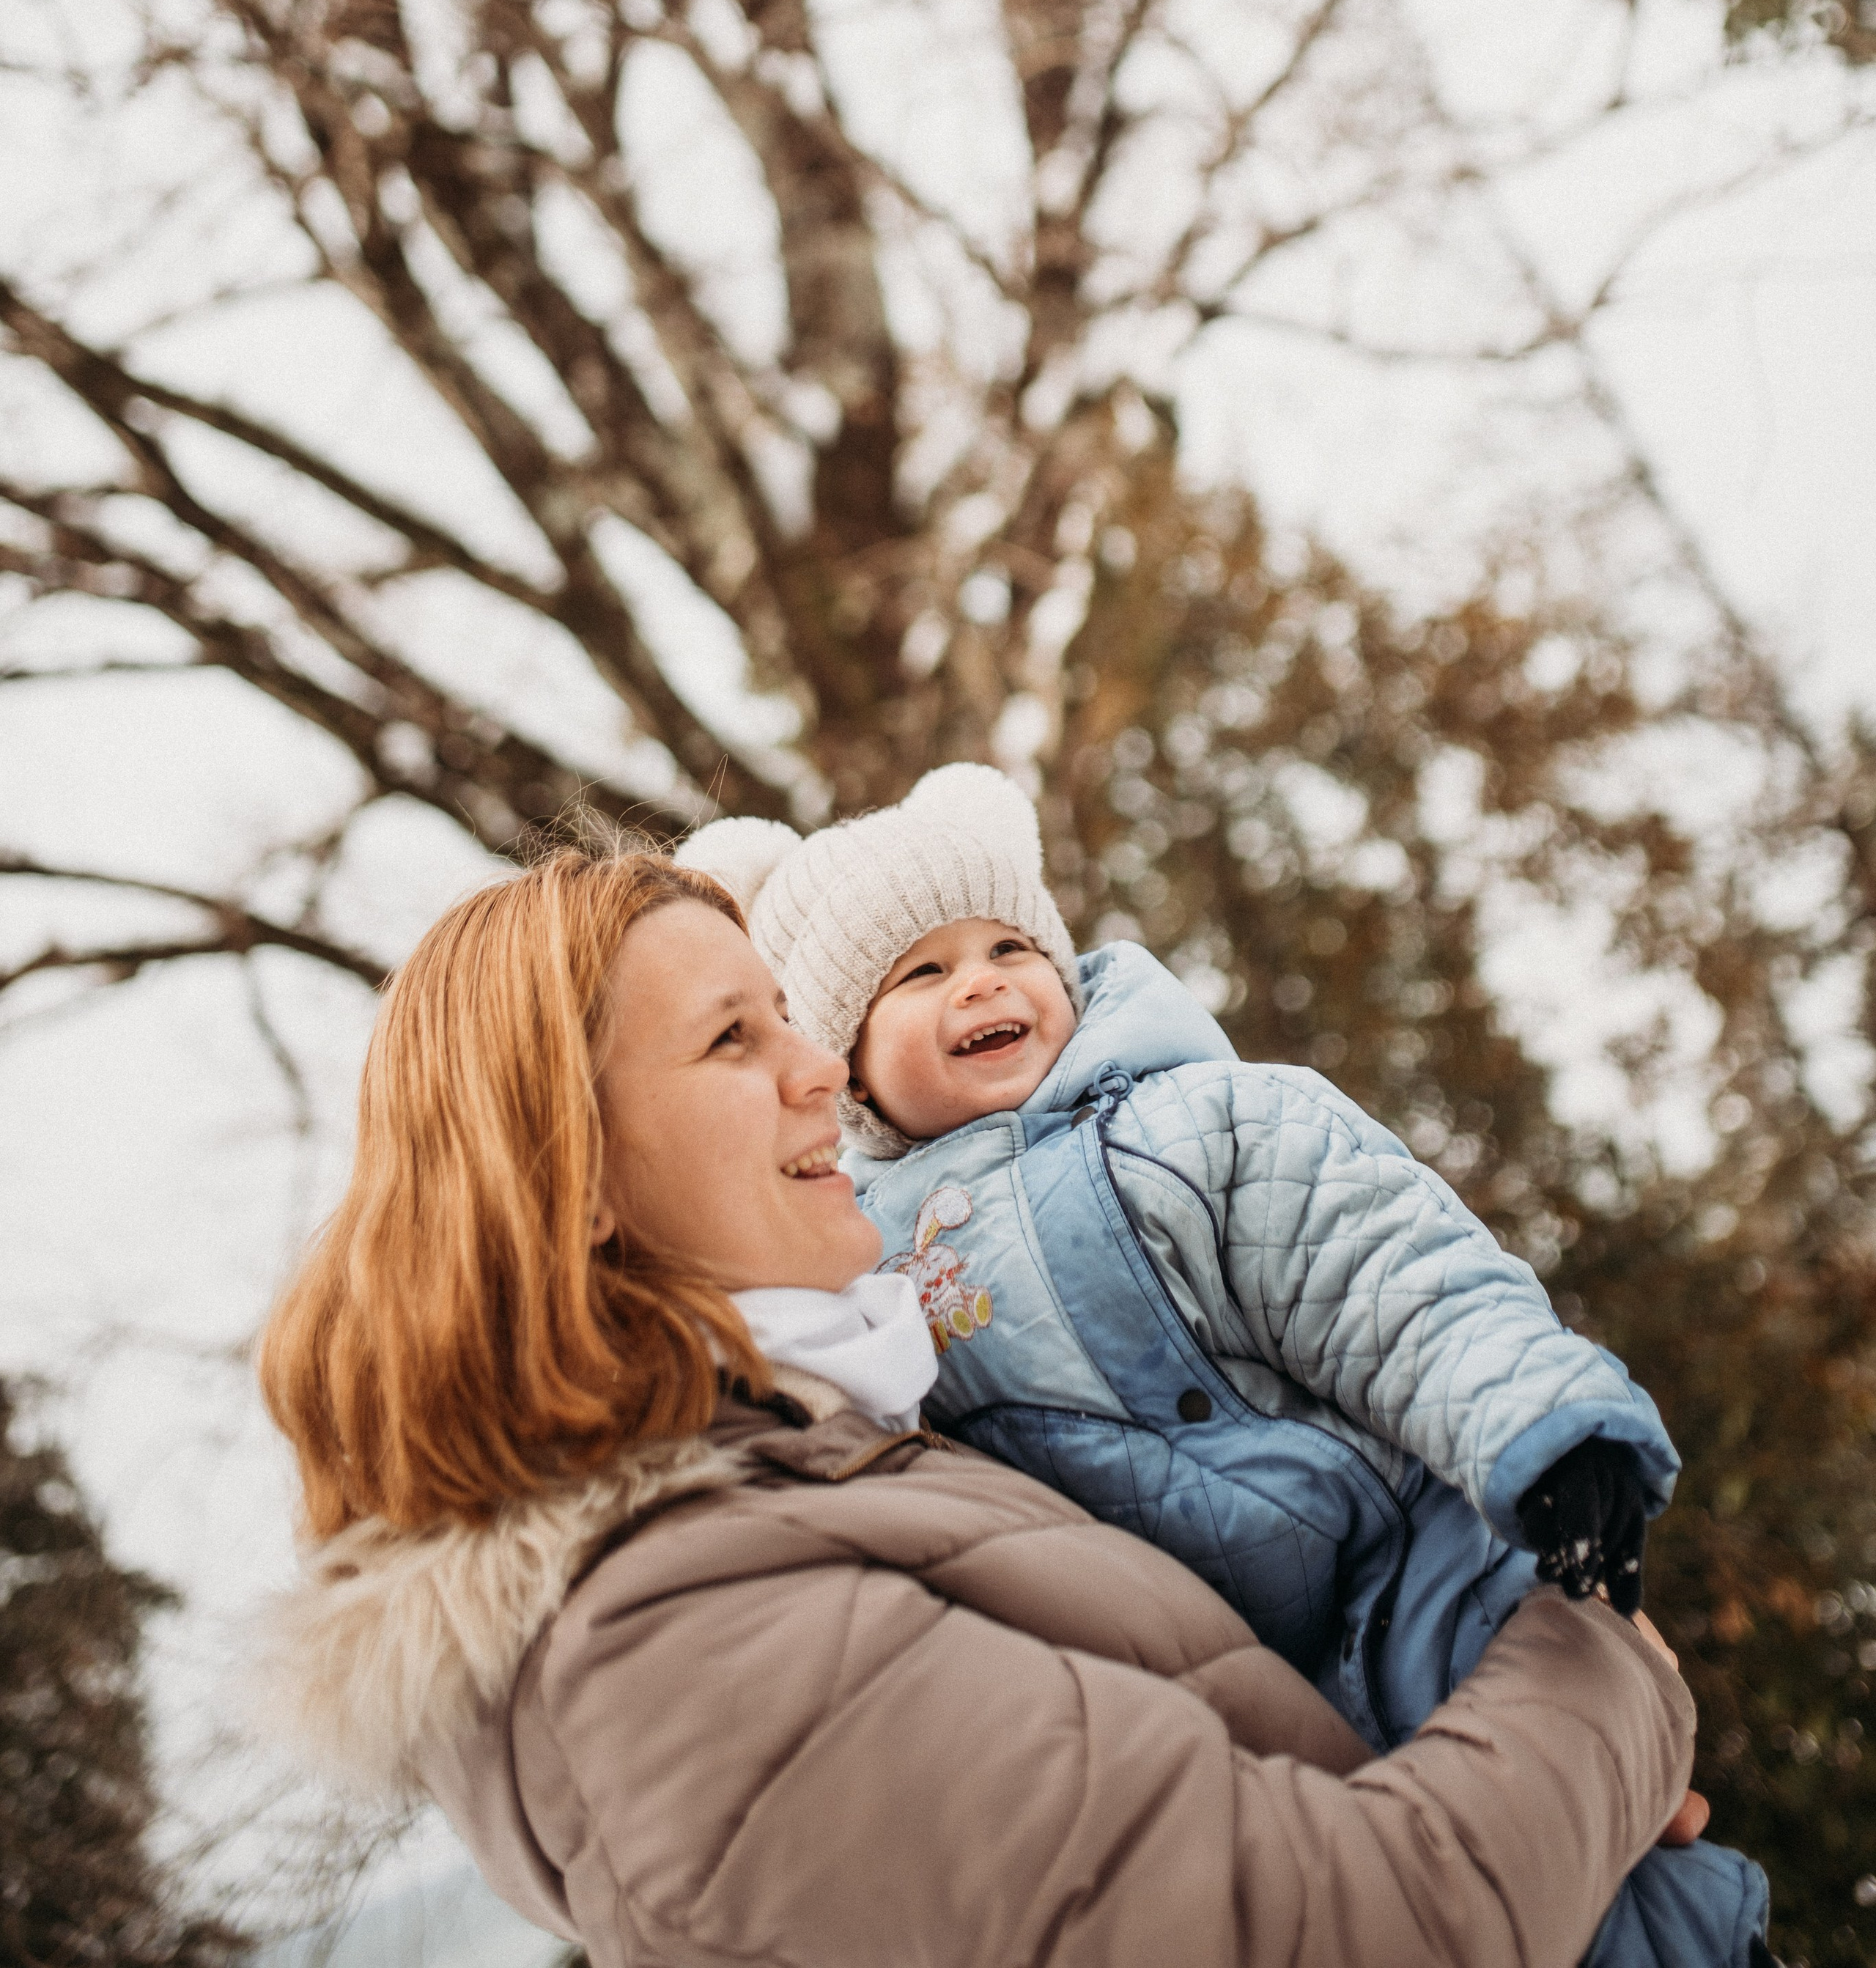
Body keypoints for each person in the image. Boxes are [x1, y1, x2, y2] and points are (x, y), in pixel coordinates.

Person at [253, 847, 1707, 1968]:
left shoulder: (839, 1459)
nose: (816, 1066)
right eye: (731, 1040)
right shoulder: (671, 1644)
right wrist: (1597, 1674)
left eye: (790, 1017)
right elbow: (1337, 1931)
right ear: (566, 1178)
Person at [678, 767, 1773, 1968]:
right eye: (921, 973)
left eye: (1008, 945)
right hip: (1215, 1678)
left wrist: (1545, 1429)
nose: (983, 980)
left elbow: (1387, 1270)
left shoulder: (1195, 1124)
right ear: (845, 1059)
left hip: (1409, 1557)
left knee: (1582, 1858)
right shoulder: (865, 1259)